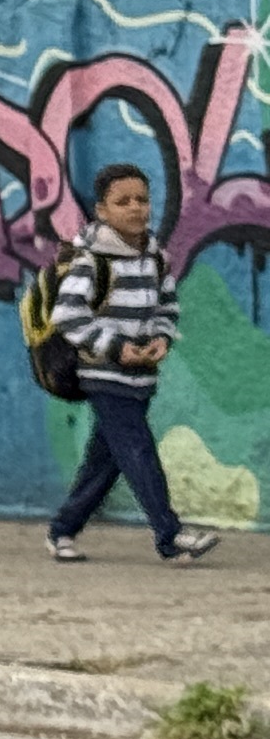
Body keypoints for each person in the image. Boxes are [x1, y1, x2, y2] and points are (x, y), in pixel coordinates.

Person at [46, 163, 217, 562]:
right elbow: (67, 314)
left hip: (141, 376)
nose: (135, 208)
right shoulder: (91, 259)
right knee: (138, 451)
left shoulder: (154, 258)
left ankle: (62, 529)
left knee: (107, 461)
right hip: (104, 374)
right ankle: (169, 536)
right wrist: (115, 346)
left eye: (142, 199)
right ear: (102, 211)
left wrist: (160, 337)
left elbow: (167, 307)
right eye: (122, 202)